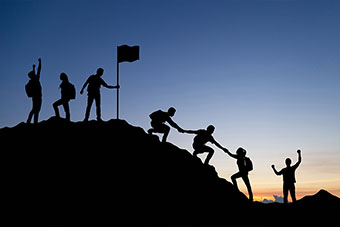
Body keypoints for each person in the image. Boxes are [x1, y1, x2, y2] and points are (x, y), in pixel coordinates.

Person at [26, 58, 42, 124]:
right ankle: (32, 122)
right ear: (32, 76)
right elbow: (39, 70)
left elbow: (36, 71)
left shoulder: (33, 80)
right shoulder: (35, 80)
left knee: (35, 109)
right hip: (37, 97)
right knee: (35, 109)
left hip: (36, 97)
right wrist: (40, 63)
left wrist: (33, 68)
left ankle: (32, 121)